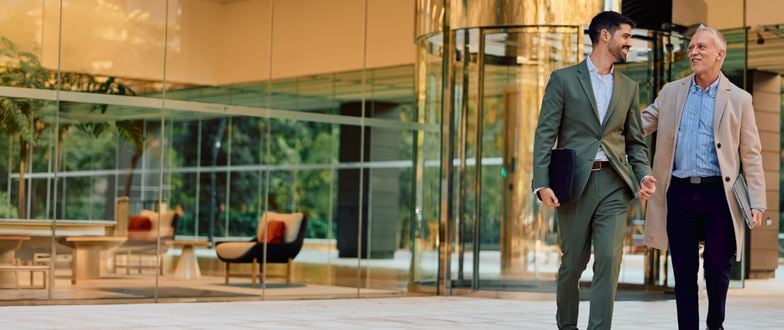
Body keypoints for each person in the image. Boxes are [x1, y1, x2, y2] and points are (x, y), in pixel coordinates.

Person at [532, 11, 656, 330]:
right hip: (573, 185)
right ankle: (568, 326)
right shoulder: (563, 79)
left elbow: (634, 141)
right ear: (605, 35)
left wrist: (643, 173)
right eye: (626, 36)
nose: (630, 43)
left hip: (614, 182)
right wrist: (541, 183)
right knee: (573, 264)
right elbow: (545, 133)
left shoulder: (628, 87)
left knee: (610, 261)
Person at [640, 24, 765, 330]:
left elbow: (751, 153)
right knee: (683, 271)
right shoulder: (671, 92)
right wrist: (607, 126)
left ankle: (715, 324)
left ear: (720, 54)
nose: (693, 52)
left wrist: (758, 202)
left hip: (720, 196)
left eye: (701, 47)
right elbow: (640, 124)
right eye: (692, 46)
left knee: (717, 269)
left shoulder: (739, 99)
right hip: (679, 193)